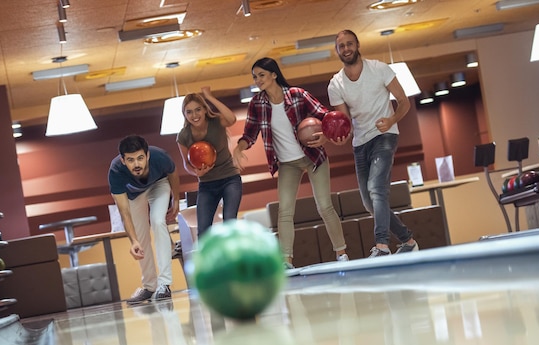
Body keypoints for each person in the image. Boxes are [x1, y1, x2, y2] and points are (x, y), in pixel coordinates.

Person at [232, 57, 348, 269]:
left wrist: (326, 136)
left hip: (313, 157)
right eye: (255, 77)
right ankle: (287, 262)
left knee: (324, 206)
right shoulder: (257, 104)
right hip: (287, 164)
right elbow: (250, 133)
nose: (258, 80)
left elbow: (324, 116)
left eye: (261, 75)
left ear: (274, 74)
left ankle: (341, 254)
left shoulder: (297, 95)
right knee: (284, 212)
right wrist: (238, 148)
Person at [327, 29, 418, 257]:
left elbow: (404, 102)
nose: (346, 49)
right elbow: (345, 123)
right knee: (369, 203)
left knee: (377, 189)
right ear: (338, 51)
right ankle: (408, 240)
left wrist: (391, 120)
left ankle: (382, 245)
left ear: (358, 45)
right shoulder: (335, 84)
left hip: (385, 136)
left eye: (350, 44)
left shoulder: (379, 69)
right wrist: (341, 137)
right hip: (360, 143)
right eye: (342, 46)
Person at [108, 135, 180, 304]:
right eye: (131, 160)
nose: (137, 164)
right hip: (135, 195)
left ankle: (164, 284)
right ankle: (149, 287)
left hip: (159, 184)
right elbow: (124, 212)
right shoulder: (116, 172)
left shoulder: (160, 156)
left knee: (157, 220)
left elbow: (173, 173)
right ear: (123, 160)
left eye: (140, 158)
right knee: (140, 237)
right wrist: (133, 241)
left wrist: (175, 198)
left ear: (147, 155)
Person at [176, 86, 242, 237]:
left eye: (198, 109)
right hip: (207, 184)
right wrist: (196, 172)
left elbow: (232, 119)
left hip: (229, 179)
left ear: (205, 109)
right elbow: (186, 164)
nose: (194, 115)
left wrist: (209, 97)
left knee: (229, 223)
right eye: (189, 112)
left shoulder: (217, 122)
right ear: (184, 115)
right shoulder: (183, 136)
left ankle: (233, 259)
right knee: (203, 231)